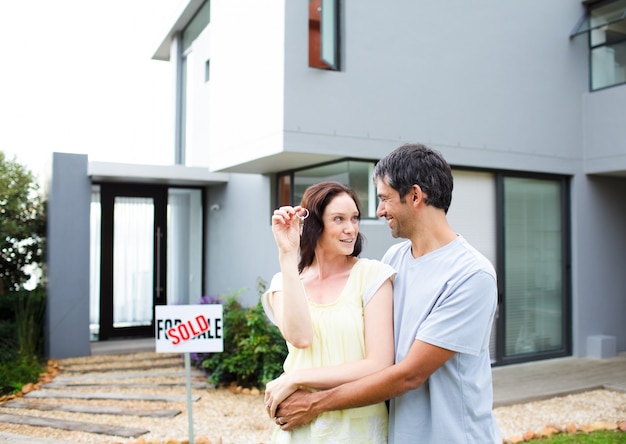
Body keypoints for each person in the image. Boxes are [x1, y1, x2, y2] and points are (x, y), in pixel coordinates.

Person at [272, 144, 503, 443]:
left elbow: (409, 374)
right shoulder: (394, 260)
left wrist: (314, 403)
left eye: (384, 199)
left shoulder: (471, 275)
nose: (379, 211)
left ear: (416, 196)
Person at [262, 181, 396, 443]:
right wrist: (288, 254)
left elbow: (378, 364)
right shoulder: (283, 281)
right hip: (298, 430)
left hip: (359, 429)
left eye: (354, 218)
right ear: (315, 225)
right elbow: (301, 338)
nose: (351, 229)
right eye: (339, 219)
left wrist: (297, 379)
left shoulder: (373, 276)